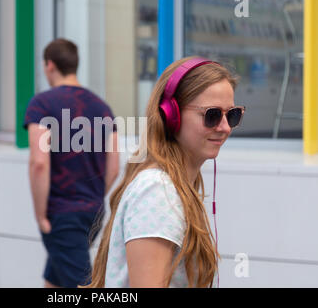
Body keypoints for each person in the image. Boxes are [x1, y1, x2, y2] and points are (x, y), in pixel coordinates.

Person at [85, 57, 245, 288]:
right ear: (172, 115)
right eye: (212, 115)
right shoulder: (158, 191)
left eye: (232, 115)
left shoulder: (171, 185)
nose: (225, 127)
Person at [23, 39, 120, 288]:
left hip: (62, 215)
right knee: (54, 281)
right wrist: (94, 197)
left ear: (50, 65)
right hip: (93, 214)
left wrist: (40, 215)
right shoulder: (103, 108)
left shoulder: (42, 104)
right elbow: (114, 165)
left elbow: (39, 163)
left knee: (82, 286)